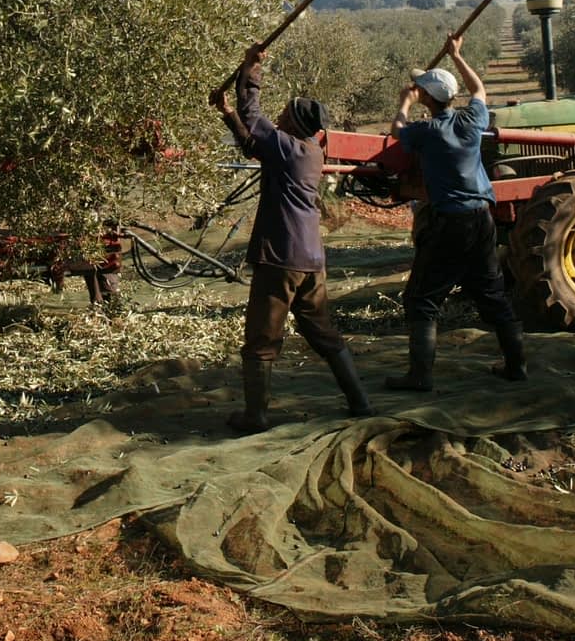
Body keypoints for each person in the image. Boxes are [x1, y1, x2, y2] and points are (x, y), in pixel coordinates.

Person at [210, 45, 371, 433]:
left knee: (262, 339)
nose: (278, 116)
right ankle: (359, 401)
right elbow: (254, 143)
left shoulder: (290, 148)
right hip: (311, 258)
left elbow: (254, 115)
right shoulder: (308, 151)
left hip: (280, 256)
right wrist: (227, 112)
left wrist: (252, 69)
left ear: (296, 123)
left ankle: (256, 415)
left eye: (285, 113)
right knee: (323, 333)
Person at [385, 34, 526, 390]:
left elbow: (396, 130)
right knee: (492, 295)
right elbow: (479, 89)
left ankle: (420, 377)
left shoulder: (427, 132)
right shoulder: (471, 120)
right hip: (482, 218)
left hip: (449, 222)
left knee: (422, 298)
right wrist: (457, 55)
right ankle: (517, 367)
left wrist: (404, 101)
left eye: (422, 91)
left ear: (428, 99)